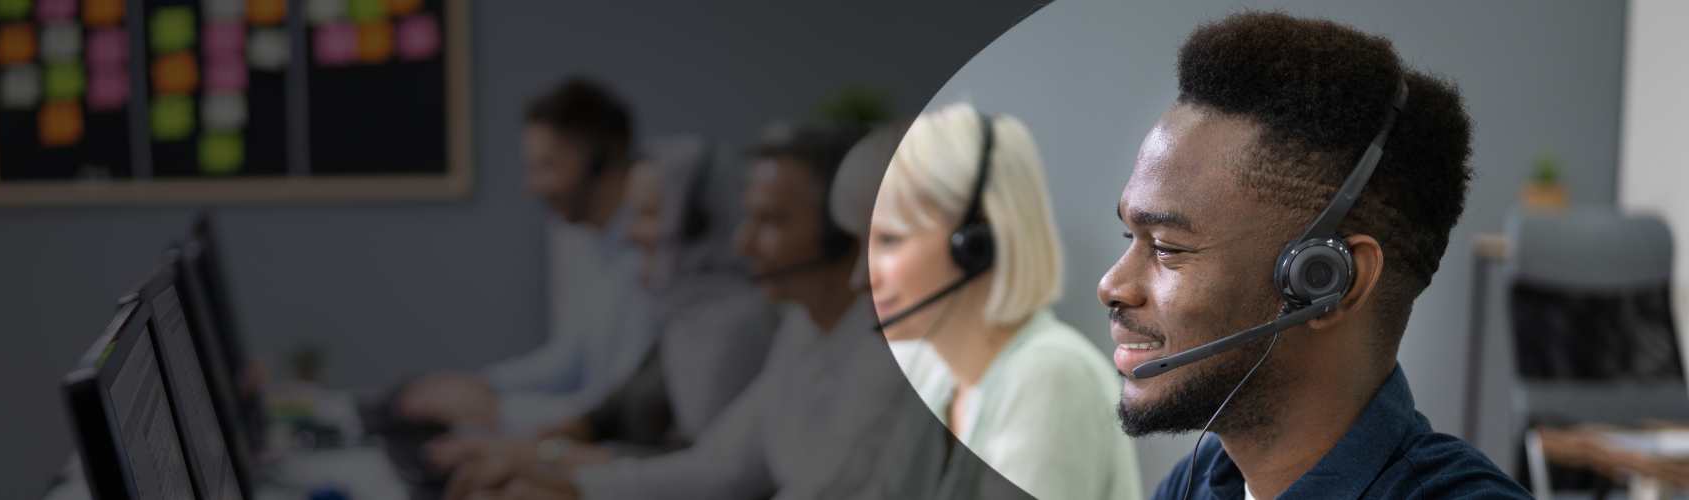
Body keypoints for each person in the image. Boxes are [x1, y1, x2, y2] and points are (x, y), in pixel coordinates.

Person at [1098, 12, 1529, 499]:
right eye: (1128, 237)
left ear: (1328, 282)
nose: (1111, 285)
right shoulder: (1196, 485)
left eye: (1167, 248)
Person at [447, 120, 979, 500]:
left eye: (770, 222)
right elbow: (719, 467)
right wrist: (571, 485)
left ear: (842, 237)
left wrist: (559, 477)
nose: (742, 244)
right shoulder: (803, 330)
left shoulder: (891, 356)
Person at [427, 136, 780, 475]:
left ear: (697, 223)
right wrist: (516, 449)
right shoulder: (687, 311)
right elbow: (609, 411)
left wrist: (545, 459)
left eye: (649, 214)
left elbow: (698, 467)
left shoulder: (735, 324)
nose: (629, 234)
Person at [839, 103, 1139, 500]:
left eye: (889, 240)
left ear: (977, 242)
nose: (860, 277)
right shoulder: (933, 370)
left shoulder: (1050, 376)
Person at [397, 77, 653, 436]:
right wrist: (481, 386)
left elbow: (611, 409)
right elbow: (570, 361)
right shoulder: (592, 246)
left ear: (601, 158)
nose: (531, 187)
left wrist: (495, 409)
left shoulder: (652, 257)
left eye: (547, 166)